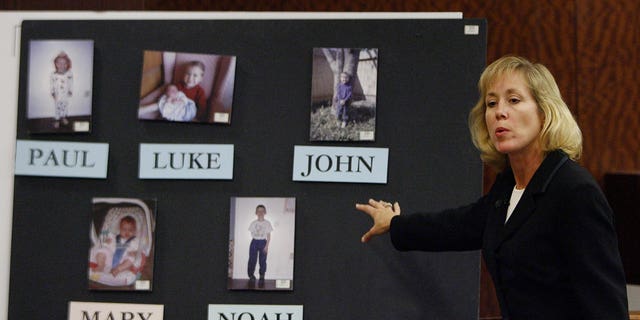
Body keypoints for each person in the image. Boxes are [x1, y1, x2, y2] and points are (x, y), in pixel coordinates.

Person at [356, 56, 629, 319]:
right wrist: (395, 223)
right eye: (491, 103)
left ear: (545, 113)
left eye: (514, 100)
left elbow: (606, 307)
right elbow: (459, 226)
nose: (500, 112)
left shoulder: (574, 192)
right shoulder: (509, 186)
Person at [89, 216, 140, 283]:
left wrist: (135, 253)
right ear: (120, 229)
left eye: (130, 230)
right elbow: (107, 246)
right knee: (103, 250)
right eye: (124, 229)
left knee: (131, 258)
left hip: (122, 261)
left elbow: (138, 249)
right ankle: (101, 265)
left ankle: (118, 269)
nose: (127, 232)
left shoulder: (135, 241)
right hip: (110, 258)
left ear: (134, 231)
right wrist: (107, 242)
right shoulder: (114, 237)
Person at [247, 204, 273, 285]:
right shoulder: (253, 223)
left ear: (265, 212)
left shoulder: (267, 223)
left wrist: (266, 246)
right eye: (258, 210)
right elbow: (252, 233)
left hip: (263, 243)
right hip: (254, 242)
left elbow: (268, 236)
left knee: (262, 260)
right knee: (252, 259)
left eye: (262, 210)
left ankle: (262, 276)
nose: (260, 212)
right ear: (256, 212)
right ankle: (251, 275)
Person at [50, 51, 73, 128]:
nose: (62, 65)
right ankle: (57, 119)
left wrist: (70, 90)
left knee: (64, 106)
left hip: (65, 94)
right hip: (57, 95)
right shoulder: (54, 74)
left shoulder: (69, 73)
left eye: (64, 63)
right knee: (57, 107)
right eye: (59, 63)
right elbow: (52, 84)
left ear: (67, 64)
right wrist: (52, 92)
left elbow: (71, 82)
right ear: (56, 64)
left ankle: (63, 117)